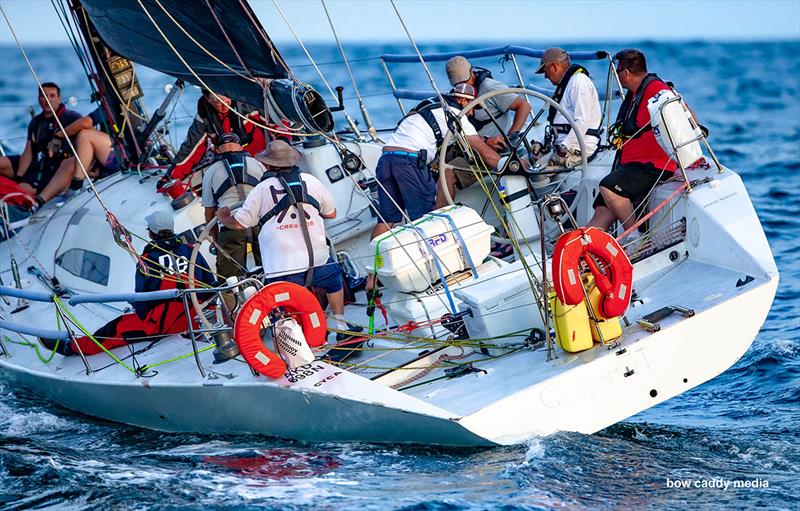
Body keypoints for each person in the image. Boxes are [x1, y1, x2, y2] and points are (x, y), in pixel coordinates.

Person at [216, 141, 357, 346]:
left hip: (283, 271)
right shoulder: (311, 181)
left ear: (268, 164)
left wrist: (224, 218)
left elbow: (240, 223)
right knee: (334, 279)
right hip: (318, 261)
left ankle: (297, 338)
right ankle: (340, 323)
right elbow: (331, 213)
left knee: (281, 300)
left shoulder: (261, 190)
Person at [40, 209, 216, 356]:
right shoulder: (191, 250)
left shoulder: (147, 260)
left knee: (113, 329)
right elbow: (210, 284)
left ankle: (72, 348)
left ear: (151, 233)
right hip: (196, 317)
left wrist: (137, 312)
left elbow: (141, 302)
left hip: (165, 324)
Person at [371, 83, 501, 239]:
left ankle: (376, 262)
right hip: (409, 162)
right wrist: (510, 165)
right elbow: (487, 155)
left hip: (386, 160)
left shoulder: (430, 105)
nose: (472, 114)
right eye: (474, 107)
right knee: (425, 220)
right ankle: (431, 260)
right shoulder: (455, 115)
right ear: (464, 102)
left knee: (386, 221)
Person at [587, 49, 679, 236]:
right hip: (630, 164)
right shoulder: (634, 93)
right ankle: (583, 248)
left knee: (610, 187)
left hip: (654, 165)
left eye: (618, 72)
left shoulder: (657, 90)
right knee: (602, 208)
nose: (617, 77)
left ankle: (635, 238)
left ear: (626, 73)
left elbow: (685, 114)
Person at [442, 56, 532, 199]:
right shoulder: (458, 93)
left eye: (465, 82)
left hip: (493, 152)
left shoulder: (490, 88)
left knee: (448, 172)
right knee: (434, 166)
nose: (463, 87)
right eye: (458, 84)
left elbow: (524, 106)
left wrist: (511, 137)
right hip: (471, 149)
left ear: (472, 73)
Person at [161, 90, 272, 184]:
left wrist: (283, 140)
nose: (225, 105)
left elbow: (275, 121)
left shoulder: (246, 102)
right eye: (218, 101)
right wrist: (171, 176)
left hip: (260, 162)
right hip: (230, 168)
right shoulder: (203, 117)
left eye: (227, 99)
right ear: (207, 99)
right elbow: (190, 148)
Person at [201, 132, 266, 278]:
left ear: (217, 150)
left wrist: (218, 242)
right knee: (272, 270)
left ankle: (232, 299)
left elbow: (209, 213)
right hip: (259, 224)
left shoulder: (211, 172)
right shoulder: (257, 164)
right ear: (240, 146)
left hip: (230, 227)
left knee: (229, 280)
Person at [30, 107, 122, 208]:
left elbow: (86, 123)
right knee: (68, 163)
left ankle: (76, 188)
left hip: (124, 158)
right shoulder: (105, 101)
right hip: (108, 156)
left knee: (85, 135)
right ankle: (38, 202)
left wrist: (59, 135)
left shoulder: (112, 99)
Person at [0, 82, 82, 195]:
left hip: (54, 170)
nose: (47, 100)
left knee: (20, 189)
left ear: (59, 98)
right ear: (39, 99)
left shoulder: (72, 117)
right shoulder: (35, 122)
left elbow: (86, 134)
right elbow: (28, 153)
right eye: (43, 96)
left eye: (52, 96)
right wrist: (19, 177)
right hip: (35, 163)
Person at [535, 47, 603, 168]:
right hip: (563, 146)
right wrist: (542, 145)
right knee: (521, 163)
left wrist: (562, 150)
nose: (545, 76)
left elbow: (582, 121)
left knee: (534, 175)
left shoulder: (579, 82)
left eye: (545, 71)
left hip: (577, 149)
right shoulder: (567, 83)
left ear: (555, 66)